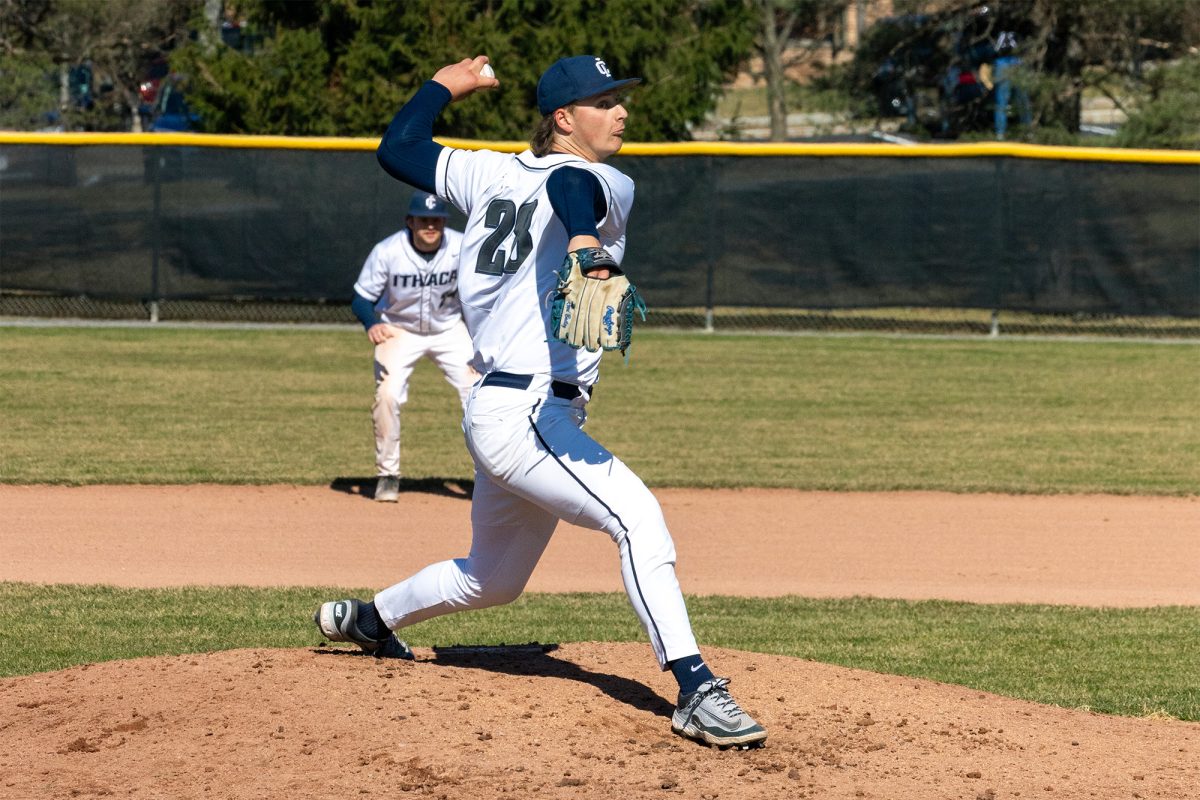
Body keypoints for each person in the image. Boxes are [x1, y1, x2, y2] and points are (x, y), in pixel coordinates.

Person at [314, 54, 768, 749]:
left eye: (621, 98)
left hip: (500, 410)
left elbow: (399, 148)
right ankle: (697, 690)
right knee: (639, 522)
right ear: (564, 118)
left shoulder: (487, 171)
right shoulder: (601, 180)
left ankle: (369, 619)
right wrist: (586, 243)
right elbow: (573, 197)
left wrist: (442, 85)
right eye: (605, 101)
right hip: (531, 415)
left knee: (490, 580)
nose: (622, 111)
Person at [351, 190, 477, 503]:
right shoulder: (388, 251)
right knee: (388, 395)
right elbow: (361, 298)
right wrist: (371, 323)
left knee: (478, 392)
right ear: (411, 221)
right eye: (424, 219)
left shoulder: (462, 247)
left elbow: (482, 295)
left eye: (437, 220)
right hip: (400, 329)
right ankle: (388, 474)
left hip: (449, 329)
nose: (431, 225)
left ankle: (487, 478)